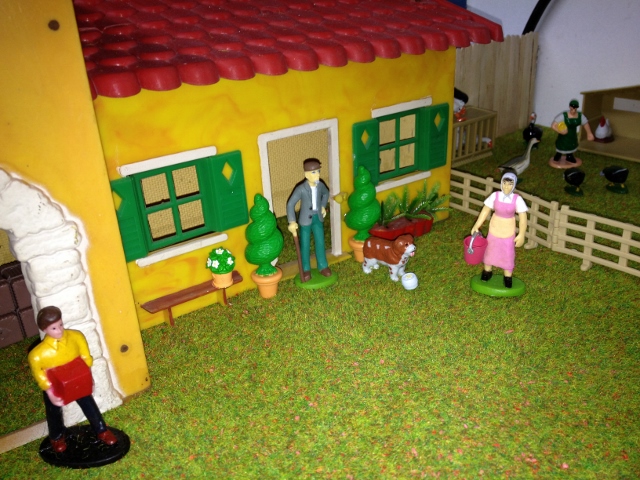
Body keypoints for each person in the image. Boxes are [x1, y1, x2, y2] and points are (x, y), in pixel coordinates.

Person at [28, 306, 118, 453]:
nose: (59, 330)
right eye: (54, 328)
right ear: (45, 329)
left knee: (88, 403)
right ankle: (56, 436)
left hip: (77, 379)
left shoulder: (76, 337)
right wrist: (50, 392)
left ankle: (101, 429)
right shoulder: (37, 354)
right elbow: (41, 376)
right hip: (54, 384)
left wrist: (88, 379)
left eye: (60, 325)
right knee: (53, 411)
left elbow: (86, 358)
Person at [470, 172, 528, 288]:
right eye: (504, 183)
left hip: (508, 229)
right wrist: (477, 225)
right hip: (495, 227)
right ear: (501, 183)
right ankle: (487, 270)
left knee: (507, 252)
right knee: (490, 248)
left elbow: (523, 219)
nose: (506, 187)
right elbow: (485, 210)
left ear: (514, 185)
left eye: (510, 184)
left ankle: (507, 276)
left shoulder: (517, 199)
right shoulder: (495, 196)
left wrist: (521, 234)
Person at [286, 158, 332, 281]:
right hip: (305, 221)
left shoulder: (320, 185)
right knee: (305, 245)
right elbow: (290, 204)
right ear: (306, 174)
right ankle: (305, 269)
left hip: (318, 218)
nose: (317, 174)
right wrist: (292, 221)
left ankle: (323, 266)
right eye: (314, 172)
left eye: (318, 171)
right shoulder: (301, 188)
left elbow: (326, 193)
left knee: (320, 242)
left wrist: (323, 206)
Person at [551, 99, 594, 163]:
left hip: (572, 135)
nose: (573, 111)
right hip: (564, 135)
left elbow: (585, 123)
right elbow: (553, 125)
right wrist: (560, 131)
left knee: (571, 145)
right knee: (562, 145)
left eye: (575, 109)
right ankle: (558, 155)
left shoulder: (580, 116)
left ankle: (569, 156)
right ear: (569, 107)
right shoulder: (563, 116)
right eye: (572, 109)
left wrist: (589, 133)